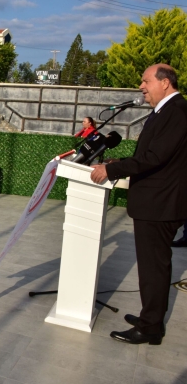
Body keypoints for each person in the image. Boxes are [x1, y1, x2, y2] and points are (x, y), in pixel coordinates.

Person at [90, 64, 187, 346]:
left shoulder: (177, 112)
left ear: (165, 83)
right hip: (156, 202)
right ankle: (150, 317)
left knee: (154, 268)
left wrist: (113, 171)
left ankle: (151, 328)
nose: (141, 87)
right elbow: (151, 154)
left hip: (161, 204)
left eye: (145, 81)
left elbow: (156, 157)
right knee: (152, 266)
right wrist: (117, 163)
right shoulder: (167, 111)